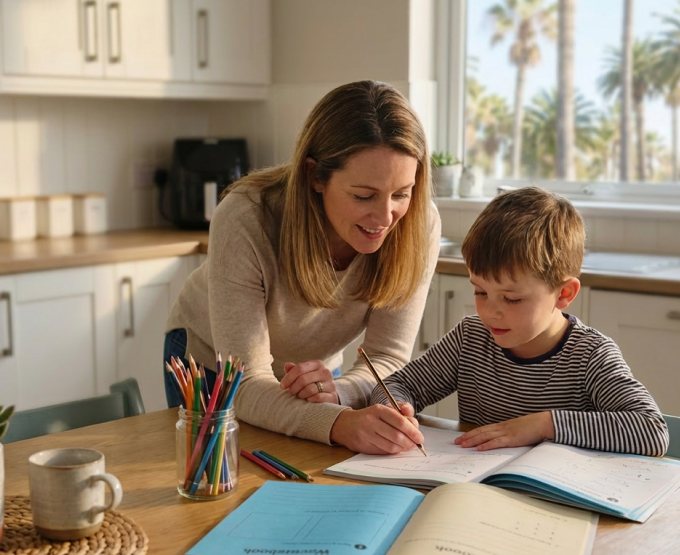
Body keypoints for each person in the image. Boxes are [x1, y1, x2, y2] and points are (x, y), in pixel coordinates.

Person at [164, 80, 441, 454]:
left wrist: (338, 392)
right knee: (218, 487)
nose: (385, 216)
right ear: (315, 176)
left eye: (401, 194)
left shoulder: (419, 225)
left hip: (317, 376)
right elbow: (246, 385)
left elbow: (387, 358)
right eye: (363, 195)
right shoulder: (246, 217)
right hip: (212, 364)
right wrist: (339, 422)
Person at [371, 186, 669, 457]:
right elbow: (395, 385)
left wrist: (544, 425)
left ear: (564, 294)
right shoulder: (471, 338)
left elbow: (652, 431)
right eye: (480, 291)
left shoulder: (590, 355)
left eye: (512, 299)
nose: (490, 312)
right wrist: (395, 410)